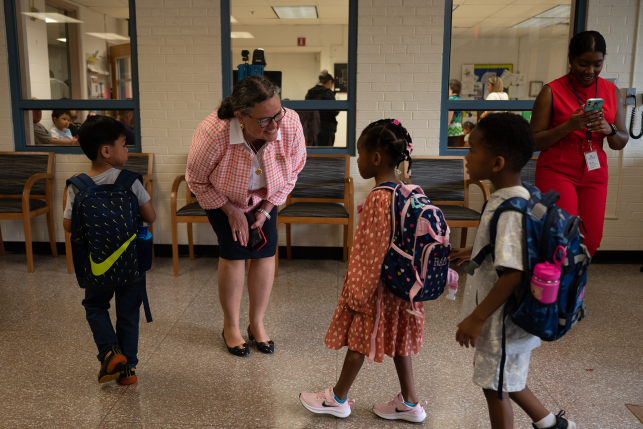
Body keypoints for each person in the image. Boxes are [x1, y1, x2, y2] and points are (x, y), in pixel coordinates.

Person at [449, 113, 576, 429]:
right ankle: (550, 424)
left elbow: (513, 273)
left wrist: (476, 318)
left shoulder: (508, 209)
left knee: (495, 387)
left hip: (501, 321)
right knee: (507, 376)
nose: (466, 156)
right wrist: (473, 251)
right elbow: (510, 248)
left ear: (496, 163)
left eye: (473, 149)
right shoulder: (520, 196)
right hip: (511, 319)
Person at [300, 119, 427, 423]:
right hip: (404, 288)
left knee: (359, 340)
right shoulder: (410, 192)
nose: (357, 160)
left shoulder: (379, 198)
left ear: (376, 157)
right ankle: (410, 402)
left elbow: (371, 253)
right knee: (398, 343)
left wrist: (357, 294)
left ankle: (337, 398)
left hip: (376, 288)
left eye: (359, 153)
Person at [186, 76, 306, 357]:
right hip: (223, 197)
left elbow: (294, 170)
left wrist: (265, 209)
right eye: (264, 121)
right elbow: (196, 179)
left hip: (266, 196)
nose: (274, 126)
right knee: (234, 253)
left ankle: (257, 324)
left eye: (277, 114)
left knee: (265, 251)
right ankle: (231, 326)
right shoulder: (214, 132)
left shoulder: (289, 123)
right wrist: (230, 211)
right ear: (240, 116)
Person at [62, 115, 156, 385]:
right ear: (106, 151)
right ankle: (128, 371)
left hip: (95, 263)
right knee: (128, 314)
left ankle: (110, 352)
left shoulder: (76, 185)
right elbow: (150, 217)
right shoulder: (130, 181)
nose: (127, 150)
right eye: (124, 145)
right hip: (131, 265)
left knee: (95, 306)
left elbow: (68, 226)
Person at [530, 31, 628, 256]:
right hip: (557, 168)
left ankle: (572, 288)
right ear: (570, 59)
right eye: (583, 64)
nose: (590, 71)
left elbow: (620, 141)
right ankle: (554, 288)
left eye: (597, 64)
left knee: (591, 241)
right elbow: (532, 141)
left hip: (594, 169)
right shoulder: (551, 91)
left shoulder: (611, 92)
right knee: (561, 237)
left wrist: (609, 129)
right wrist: (567, 127)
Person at [305, 70, 339, 146]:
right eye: (332, 85)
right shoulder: (328, 92)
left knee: (312, 154)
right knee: (325, 155)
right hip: (326, 128)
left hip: (312, 128)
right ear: (330, 82)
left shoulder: (310, 92)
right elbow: (334, 111)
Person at [448, 79, 463, 144]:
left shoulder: (451, 99)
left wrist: (445, 128)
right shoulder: (459, 99)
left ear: (451, 88)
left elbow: (449, 116)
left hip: (451, 129)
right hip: (458, 128)